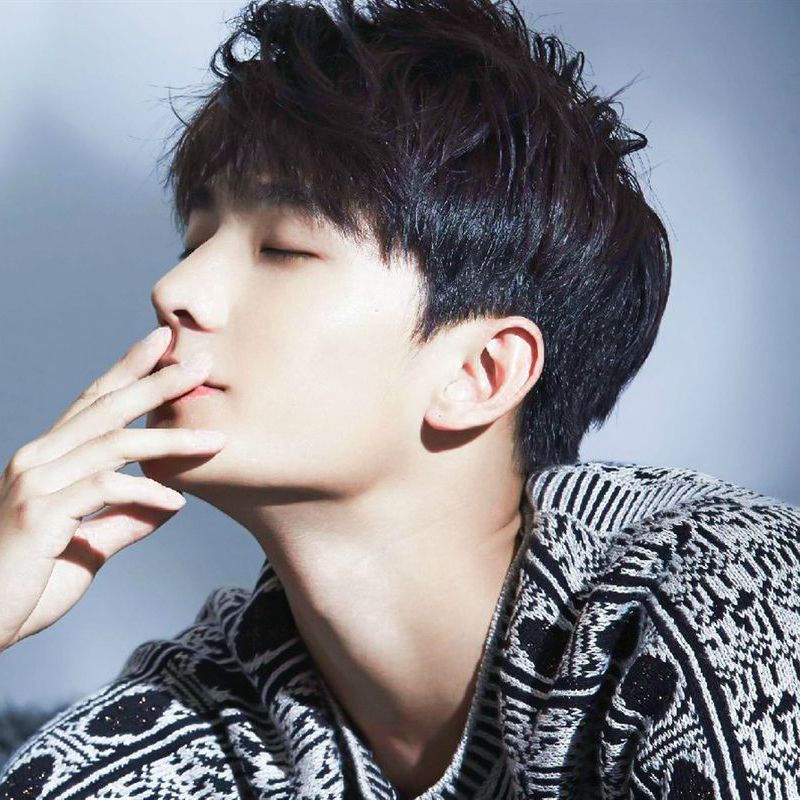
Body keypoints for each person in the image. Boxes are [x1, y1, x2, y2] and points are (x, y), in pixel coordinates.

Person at [0, 0, 797, 797]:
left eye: (283, 248)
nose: (175, 289)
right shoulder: (180, 732)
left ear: (480, 373)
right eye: (195, 241)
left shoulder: (727, 598)